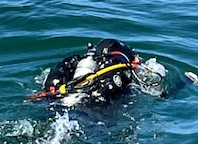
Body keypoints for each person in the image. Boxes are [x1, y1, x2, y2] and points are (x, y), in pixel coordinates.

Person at [25, 38, 181, 106]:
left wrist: (51, 88)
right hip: (95, 113)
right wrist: (181, 85)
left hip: (62, 100)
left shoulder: (82, 61)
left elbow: (60, 68)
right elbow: (160, 97)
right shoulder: (126, 72)